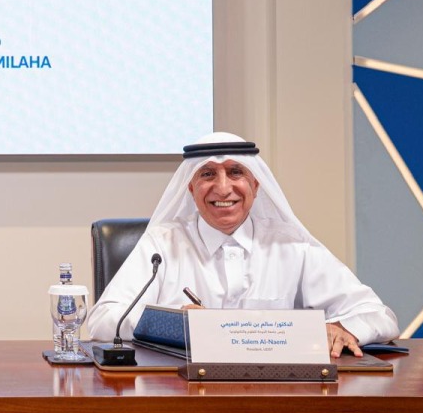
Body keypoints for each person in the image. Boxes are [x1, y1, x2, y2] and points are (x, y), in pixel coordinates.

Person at [87, 132, 398, 358]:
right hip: (180, 394)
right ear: (192, 188)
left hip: (278, 399)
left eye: (236, 172)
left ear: (255, 185)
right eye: (208, 174)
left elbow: (379, 315)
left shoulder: (291, 246)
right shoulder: (162, 244)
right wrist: (176, 323)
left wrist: (343, 327)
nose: (223, 188)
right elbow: (103, 321)